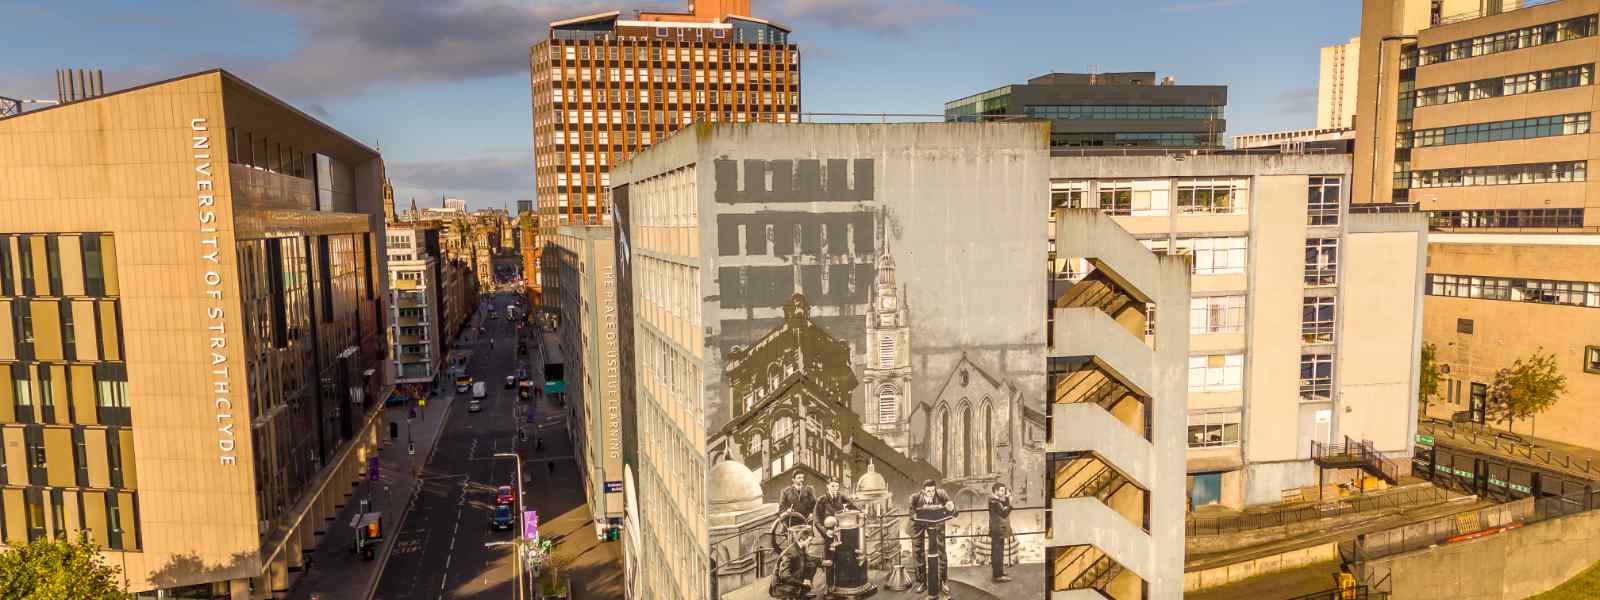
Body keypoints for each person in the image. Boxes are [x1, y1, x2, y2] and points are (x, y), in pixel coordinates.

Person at [909, 479, 954, 597]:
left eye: (933, 491)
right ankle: (921, 582)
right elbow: (912, 514)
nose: (931, 493)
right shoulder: (914, 497)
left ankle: (943, 581)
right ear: (923, 491)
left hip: (936, 523)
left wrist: (950, 506)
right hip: (919, 524)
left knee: (941, 549)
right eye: (928, 491)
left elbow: (952, 509)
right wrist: (924, 513)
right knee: (918, 551)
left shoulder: (942, 494)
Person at [813, 478, 858, 589]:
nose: (835, 489)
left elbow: (853, 506)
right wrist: (825, 531)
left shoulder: (840, 496)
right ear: (827, 486)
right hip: (829, 533)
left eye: (837, 486)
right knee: (829, 560)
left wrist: (861, 512)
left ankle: (840, 583)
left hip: (841, 533)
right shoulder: (821, 500)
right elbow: (816, 520)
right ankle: (829, 586)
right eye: (833, 486)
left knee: (841, 557)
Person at [769, 526, 819, 600]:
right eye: (809, 540)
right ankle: (800, 593)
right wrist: (802, 583)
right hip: (781, 586)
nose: (810, 543)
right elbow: (785, 577)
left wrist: (820, 561)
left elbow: (808, 559)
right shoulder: (790, 553)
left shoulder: (799, 547)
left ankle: (803, 592)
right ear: (802, 540)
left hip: (790, 580)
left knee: (811, 565)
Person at [988, 482, 1014, 583]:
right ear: (996, 491)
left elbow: (1003, 505)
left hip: (997, 530)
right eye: (1002, 490)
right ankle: (997, 576)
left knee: (999, 551)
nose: (1003, 492)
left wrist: (1007, 499)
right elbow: (1004, 513)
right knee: (997, 553)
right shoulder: (994, 502)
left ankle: (999, 572)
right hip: (997, 530)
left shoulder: (995, 500)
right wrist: (1010, 504)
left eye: (1004, 490)